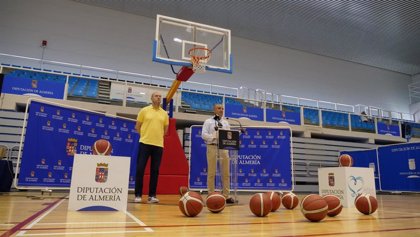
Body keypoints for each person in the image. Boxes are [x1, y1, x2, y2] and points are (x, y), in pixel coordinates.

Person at [134, 91, 169, 204]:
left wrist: (157, 137)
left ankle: (152, 195)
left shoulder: (164, 113)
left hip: (158, 145)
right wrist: (145, 136)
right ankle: (138, 195)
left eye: (160, 96)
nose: (158, 98)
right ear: (151, 98)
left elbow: (165, 130)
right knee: (140, 169)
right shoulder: (144, 110)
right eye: (156, 96)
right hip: (144, 143)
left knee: (155, 171)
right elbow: (137, 126)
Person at [201, 104, 235, 204]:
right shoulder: (208, 121)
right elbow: (203, 134)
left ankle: (226, 195)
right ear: (214, 110)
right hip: (212, 146)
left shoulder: (225, 122)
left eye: (222, 108)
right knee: (211, 172)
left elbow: (229, 135)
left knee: (226, 173)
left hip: (223, 148)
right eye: (219, 108)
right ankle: (210, 194)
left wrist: (228, 137)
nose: (221, 110)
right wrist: (213, 137)